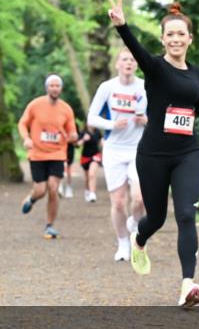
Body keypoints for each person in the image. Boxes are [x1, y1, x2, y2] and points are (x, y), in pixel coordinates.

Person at [107, 0, 199, 308]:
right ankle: (139, 239)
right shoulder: (155, 68)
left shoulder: (195, 74)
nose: (175, 39)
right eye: (169, 34)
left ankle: (188, 285)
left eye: (180, 34)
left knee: (187, 213)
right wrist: (122, 26)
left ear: (189, 39)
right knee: (156, 218)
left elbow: (198, 108)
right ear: (163, 39)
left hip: (187, 152)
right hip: (153, 155)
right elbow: (137, 52)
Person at [87, 48, 148, 262]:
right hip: (113, 150)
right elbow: (91, 118)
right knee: (119, 202)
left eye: (132, 60)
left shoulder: (144, 86)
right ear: (117, 64)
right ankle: (123, 242)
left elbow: (159, 114)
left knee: (139, 199)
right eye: (124, 59)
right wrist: (113, 124)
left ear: (137, 65)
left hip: (139, 149)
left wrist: (148, 121)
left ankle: (133, 225)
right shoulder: (107, 87)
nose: (128, 63)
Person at [17, 74, 78, 239]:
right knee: (40, 190)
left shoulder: (66, 109)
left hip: (58, 153)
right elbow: (22, 123)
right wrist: (26, 138)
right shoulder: (36, 105)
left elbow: (72, 131)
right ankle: (32, 198)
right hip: (37, 153)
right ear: (47, 87)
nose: (55, 88)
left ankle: (50, 225)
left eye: (57, 86)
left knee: (53, 188)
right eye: (52, 85)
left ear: (61, 88)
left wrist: (73, 136)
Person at [78, 125, 103, 203]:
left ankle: (92, 193)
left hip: (95, 156)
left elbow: (101, 141)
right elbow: (77, 144)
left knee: (92, 174)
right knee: (87, 178)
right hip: (85, 157)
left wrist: (103, 143)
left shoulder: (97, 132)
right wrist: (83, 139)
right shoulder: (83, 132)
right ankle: (87, 191)